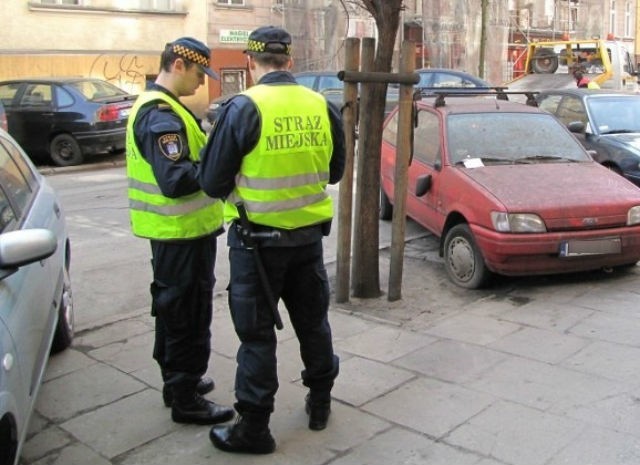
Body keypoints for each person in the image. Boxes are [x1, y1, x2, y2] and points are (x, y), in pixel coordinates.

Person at [198, 25, 345, 454]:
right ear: (290, 61)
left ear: (250, 62)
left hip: (256, 245)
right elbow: (334, 171)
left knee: (257, 336)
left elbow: (210, 181)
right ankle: (320, 402)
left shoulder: (242, 107)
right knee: (313, 324)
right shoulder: (321, 104)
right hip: (306, 242)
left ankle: (254, 428)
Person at [125, 37, 234, 425]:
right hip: (180, 234)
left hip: (180, 234)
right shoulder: (161, 116)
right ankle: (186, 399)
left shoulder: (168, 109)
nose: (201, 83)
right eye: (198, 73)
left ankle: (178, 383)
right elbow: (174, 179)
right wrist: (216, 165)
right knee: (186, 315)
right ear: (178, 65)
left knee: (174, 311)